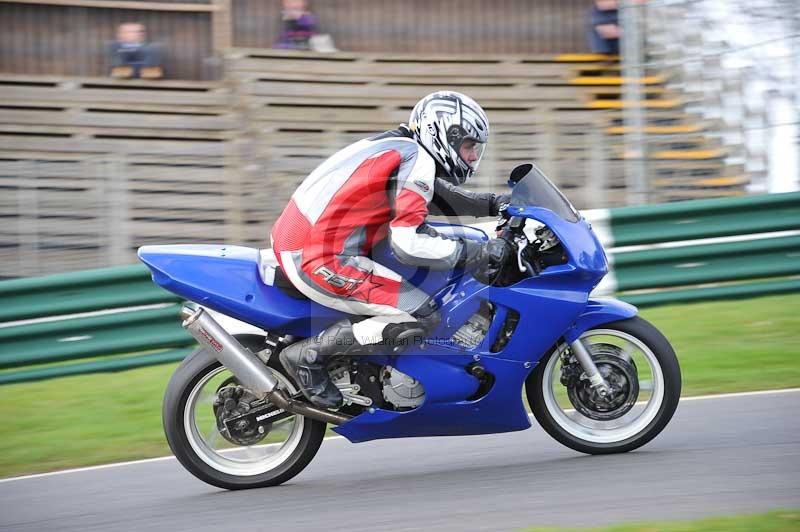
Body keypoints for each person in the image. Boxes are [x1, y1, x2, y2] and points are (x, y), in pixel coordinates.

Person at [272, 91, 512, 408]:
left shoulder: (403, 147)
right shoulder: (418, 159)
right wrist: (477, 252)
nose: (471, 157)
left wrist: (496, 203)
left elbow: (437, 196)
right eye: (468, 146)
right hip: (321, 256)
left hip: (307, 241)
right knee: (420, 313)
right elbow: (408, 244)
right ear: (443, 135)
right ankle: (308, 357)